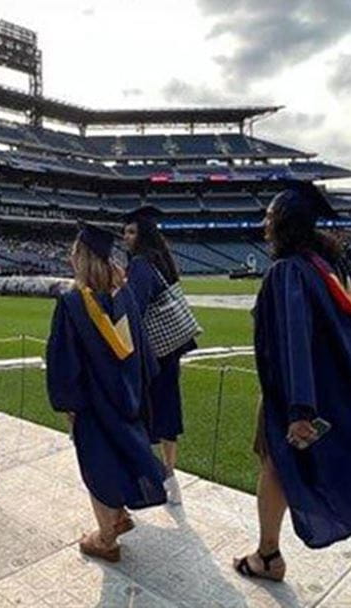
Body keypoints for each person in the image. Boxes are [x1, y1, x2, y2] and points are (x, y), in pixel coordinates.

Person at [235, 182, 351, 608]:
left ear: (282, 224)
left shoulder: (287, 272)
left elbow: (295, 341)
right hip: (339, 393)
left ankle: (269, 556)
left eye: (269, 216)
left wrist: (300, 410)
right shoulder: (324, 265)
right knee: (319, 472)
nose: (264, 222)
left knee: (280, 463)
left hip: (301, 397)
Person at [46, 222, 167, 564]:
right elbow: (142, 349)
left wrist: (68, 403)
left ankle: (106, 537)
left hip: (94, 403)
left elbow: (64, 359)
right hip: (128, 396)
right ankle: (119, 514)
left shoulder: (72, 302)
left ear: (80, 258)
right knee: (120, 453)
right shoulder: (123, 294)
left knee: (97, 465)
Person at [121, 205, 194, 505]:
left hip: (153, 351)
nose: (126, 237)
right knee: (169, 406)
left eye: (132, 231)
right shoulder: (162, 261)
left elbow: (134, 308)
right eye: (125, 231)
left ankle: (147, 473)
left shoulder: (140, 264)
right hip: (171, 347)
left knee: (142, 408)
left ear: (144, 235)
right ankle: (170, 476)